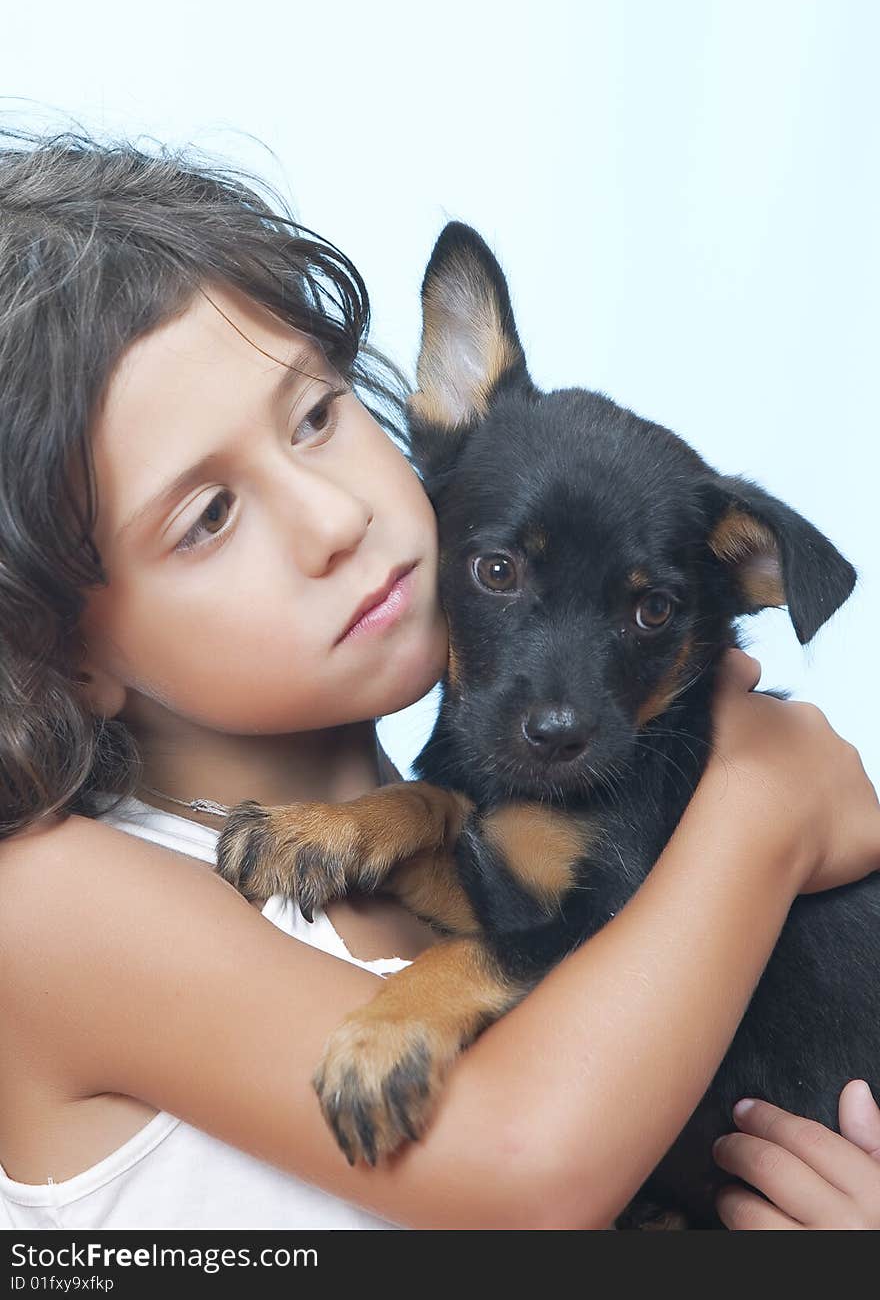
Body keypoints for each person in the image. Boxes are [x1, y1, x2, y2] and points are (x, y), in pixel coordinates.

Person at [0, 128, 877, 1232]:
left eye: (316, 415)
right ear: (60, 647)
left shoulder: (496, 839)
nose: (334, 516)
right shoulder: (45, 902)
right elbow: (532, 1162)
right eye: (207, 516)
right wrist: (768, 809)